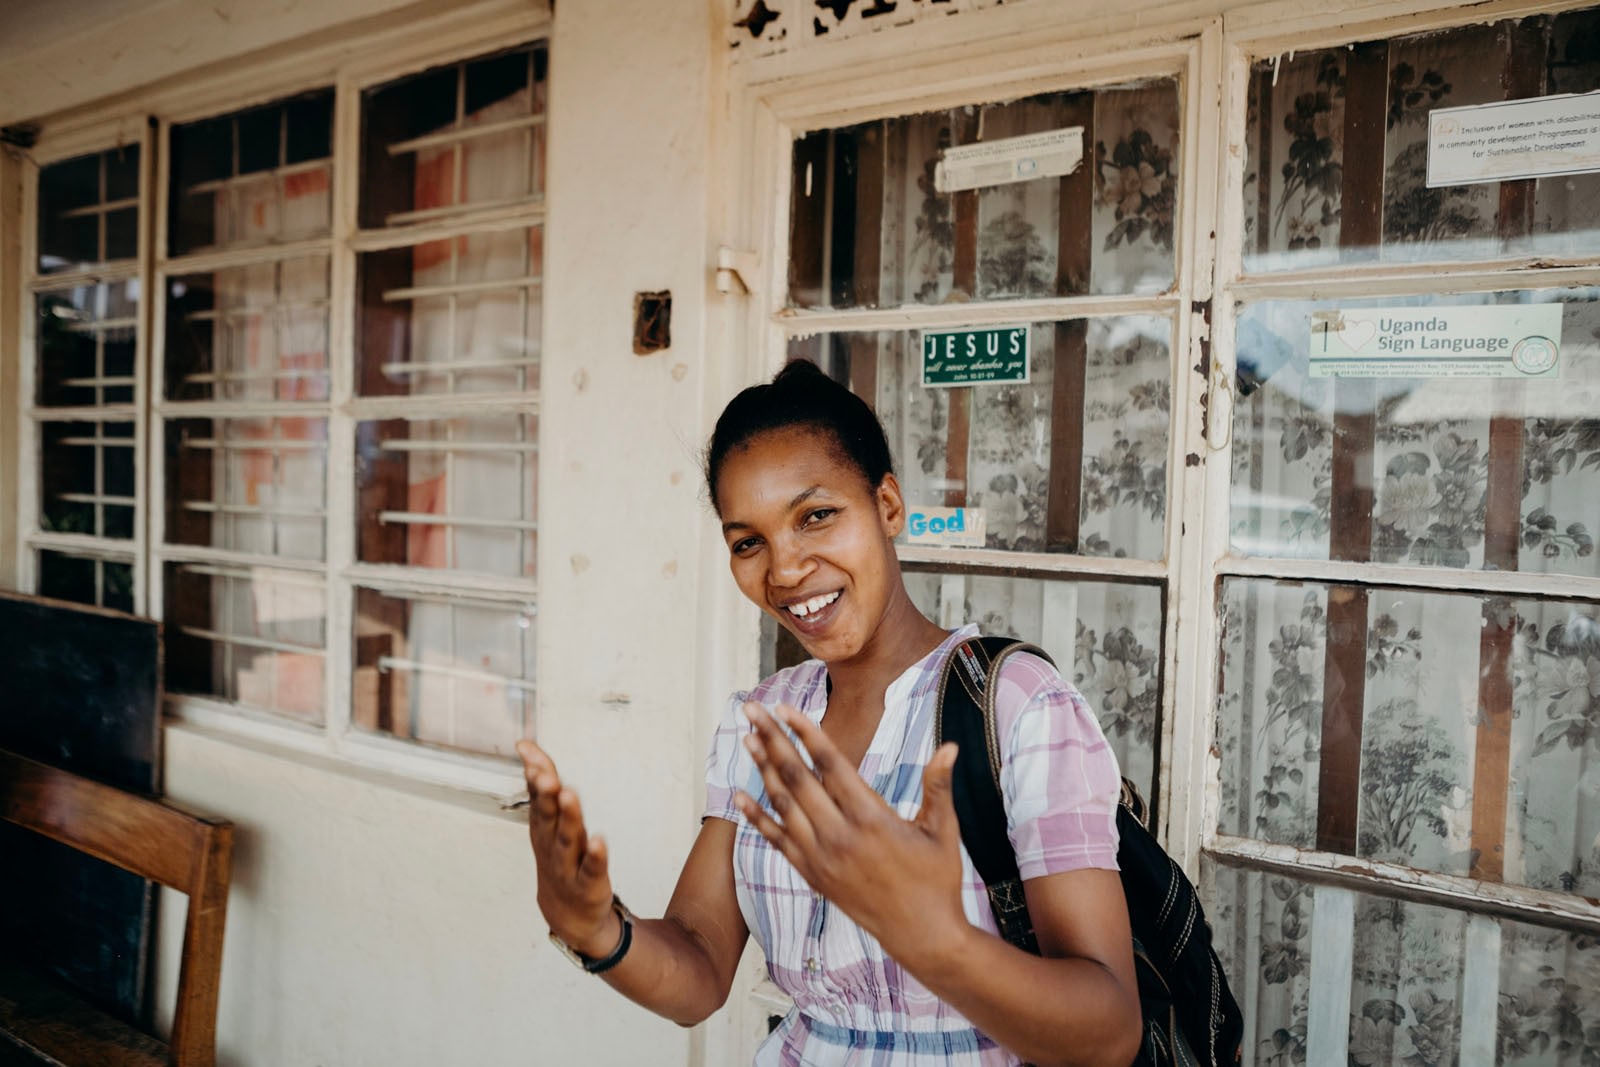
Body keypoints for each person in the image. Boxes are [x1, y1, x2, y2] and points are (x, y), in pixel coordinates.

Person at [517, 359, 1142, 1067]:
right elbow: (700, 966)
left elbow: (1111, 1030)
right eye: (748, 541)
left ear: (888, 507)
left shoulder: (1015, 707)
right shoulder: (764, 721)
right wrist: (598, 929)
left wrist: (940, 942)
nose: (783, 569)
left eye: (816, 515)